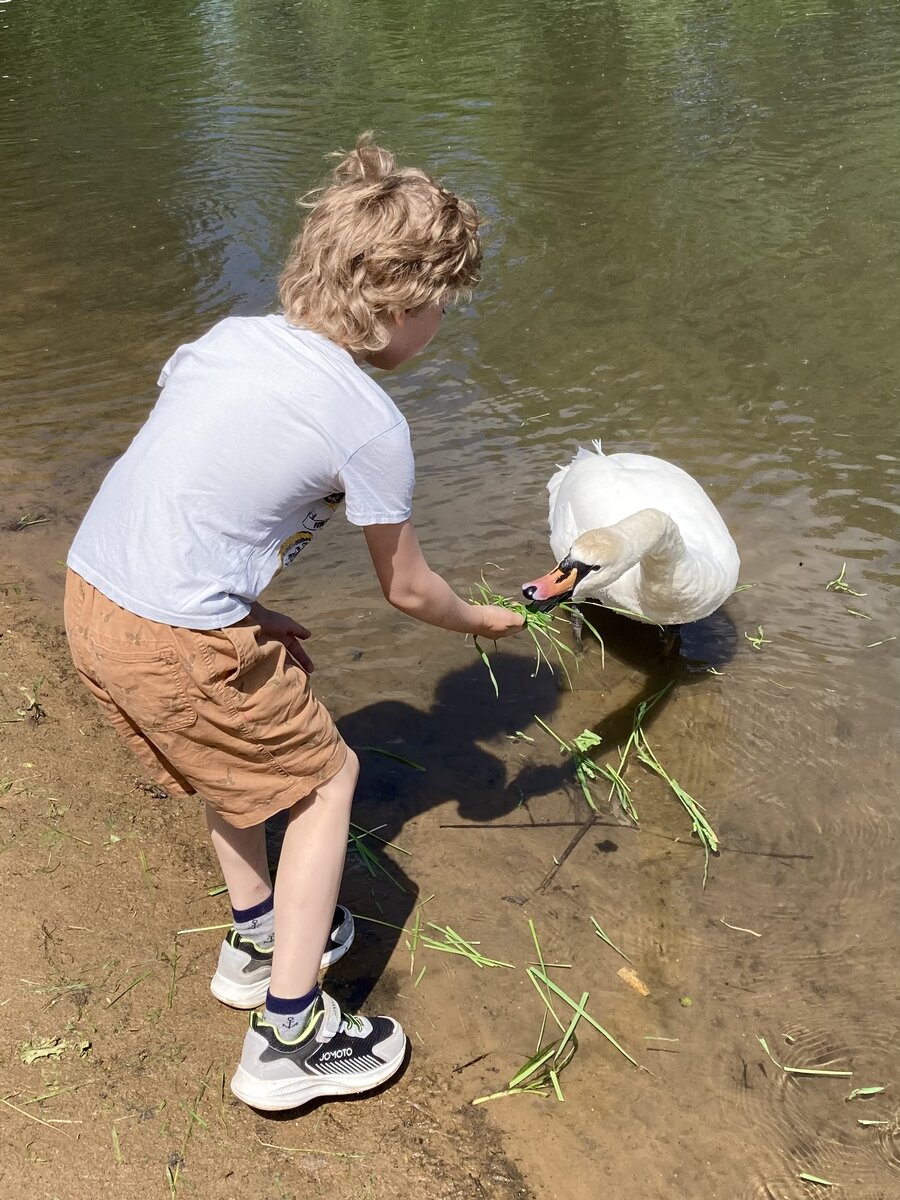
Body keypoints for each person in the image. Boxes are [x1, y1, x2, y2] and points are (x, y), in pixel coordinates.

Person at [63, 132, 523, 1113]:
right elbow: (407, 589)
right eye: (441, 309)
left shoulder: (226, 340)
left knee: (231, 764)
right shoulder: (369, 423)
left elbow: (192, 487)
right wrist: (482, 620)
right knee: (328, 780)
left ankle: (260, 933)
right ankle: (290, 1034)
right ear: (401, 303)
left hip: (95, 596)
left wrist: (250, 607)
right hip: (179, 634)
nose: (439, 326)